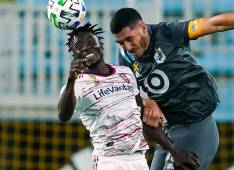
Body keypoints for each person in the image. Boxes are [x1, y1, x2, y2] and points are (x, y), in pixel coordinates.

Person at [110, 1, 234, 169]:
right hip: (170, 132)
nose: (127, 46)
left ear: (142, 27)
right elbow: (129, 95)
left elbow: (214, 24)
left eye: (129, 39)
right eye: (121, 43)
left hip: (196, 128)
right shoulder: (125, 57)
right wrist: (148, 101)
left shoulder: (169, 33)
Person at [58, 23, 200, 170]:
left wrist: (174, 150)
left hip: (138, 159)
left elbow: (142, 118)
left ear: (99, 44)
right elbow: (63, 116)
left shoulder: (125, 73)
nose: (86, 47)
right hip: (109, 161)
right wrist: (70, 81)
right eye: (79, 45)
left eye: (90, 41)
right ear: (75, 54)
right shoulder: (78, 84)